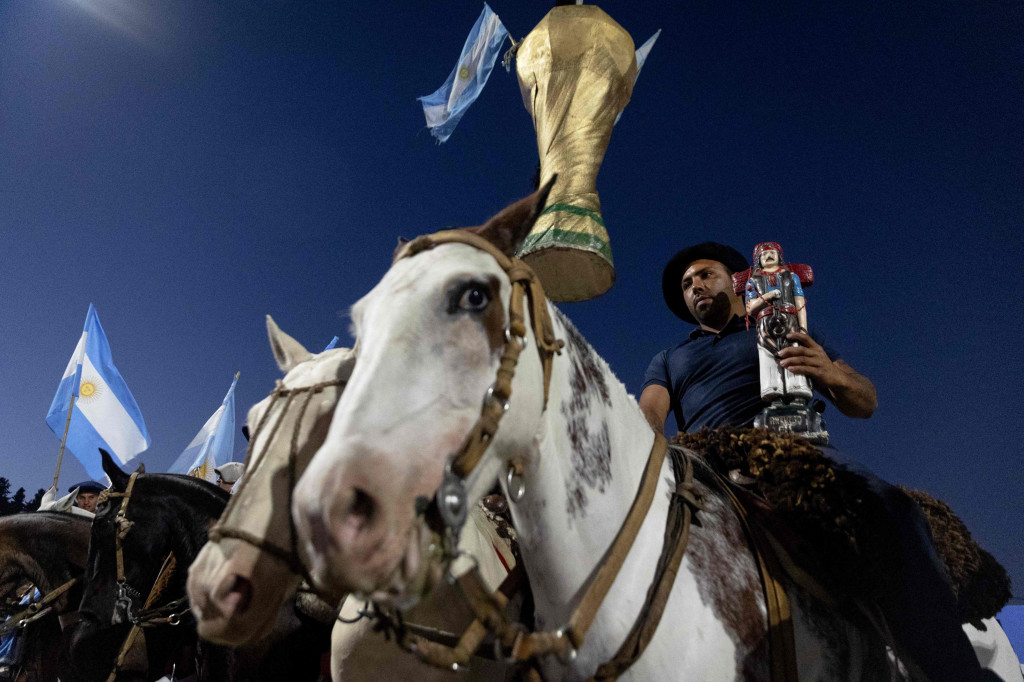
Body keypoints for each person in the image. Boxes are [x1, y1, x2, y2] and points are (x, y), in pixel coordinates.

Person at [639, 241, 993, 681]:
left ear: (737, 280)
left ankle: (952, 669)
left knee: (887, 508)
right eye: (687, 284)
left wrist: (829, 372)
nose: (695, 287)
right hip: (705, 463)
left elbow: (865, 401)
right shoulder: (670, 358)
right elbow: (651, 412)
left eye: (704, 275)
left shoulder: (782, 321)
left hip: (795, 451)